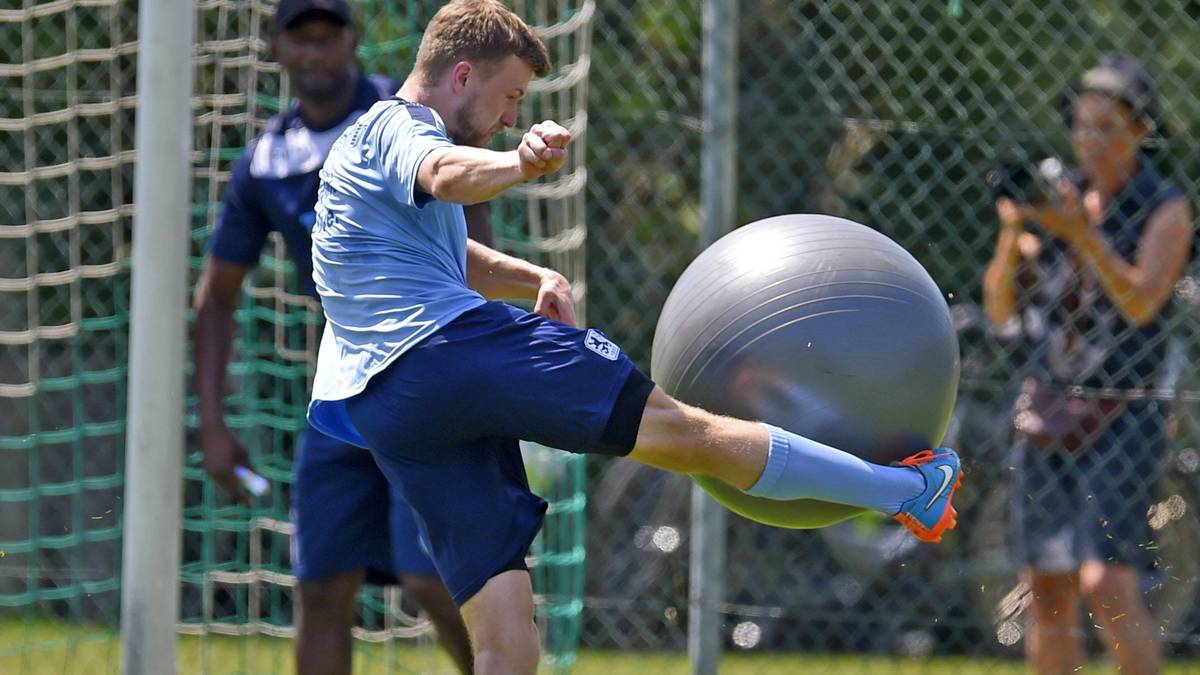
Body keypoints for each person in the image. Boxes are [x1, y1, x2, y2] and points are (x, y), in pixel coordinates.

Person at [306, 1, 963, 672]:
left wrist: (531, 272)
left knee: (507, 643)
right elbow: (445, 173)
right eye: (510, 98)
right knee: (691, 434)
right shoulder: (399, 126)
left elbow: (445, 257)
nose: (510, 118)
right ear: (464, 74)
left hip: (390, 406)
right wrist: (519, 167)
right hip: (450, 353)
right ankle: (909, 491)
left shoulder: (357, 155)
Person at [192, 1, 475, 673]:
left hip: (427, 374)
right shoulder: (266, 160)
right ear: (277, 50)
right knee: (320, 584)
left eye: (328, 36)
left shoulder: (403, 120)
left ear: (353, 41)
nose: (315, 52)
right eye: (301, 39)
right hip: (344, 384)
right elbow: (217, 297)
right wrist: (211, 422)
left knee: (433, 577)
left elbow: (472, 244)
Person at [983, 54, 1193, 675]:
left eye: (1108, 127)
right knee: (1046, 582)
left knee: (1105, 582)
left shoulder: (1165, 209)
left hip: (1125, 410)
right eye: (1082, 126)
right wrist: (1012, 232)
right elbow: (999, 309)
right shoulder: (1060, 203)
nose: (1091, 140)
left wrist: (1081, 235)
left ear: (1141, 130)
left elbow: (1140, 301)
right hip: (1048, 406)